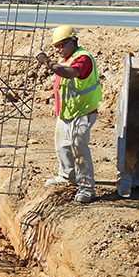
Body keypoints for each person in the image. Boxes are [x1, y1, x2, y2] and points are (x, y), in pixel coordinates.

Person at [36, 25, 102, 203]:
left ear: (72, 41)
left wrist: (46, 61)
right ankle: (67, 176)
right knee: (62, 147)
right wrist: (57, 105)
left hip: (83, 111)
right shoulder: (67, 58)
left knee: (79, 149)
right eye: (56, 46)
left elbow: (69, 74)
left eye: (62, 45)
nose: (59, 49)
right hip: (66, 111)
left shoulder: (83, 58)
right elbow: (62, 86)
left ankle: (86, 188)